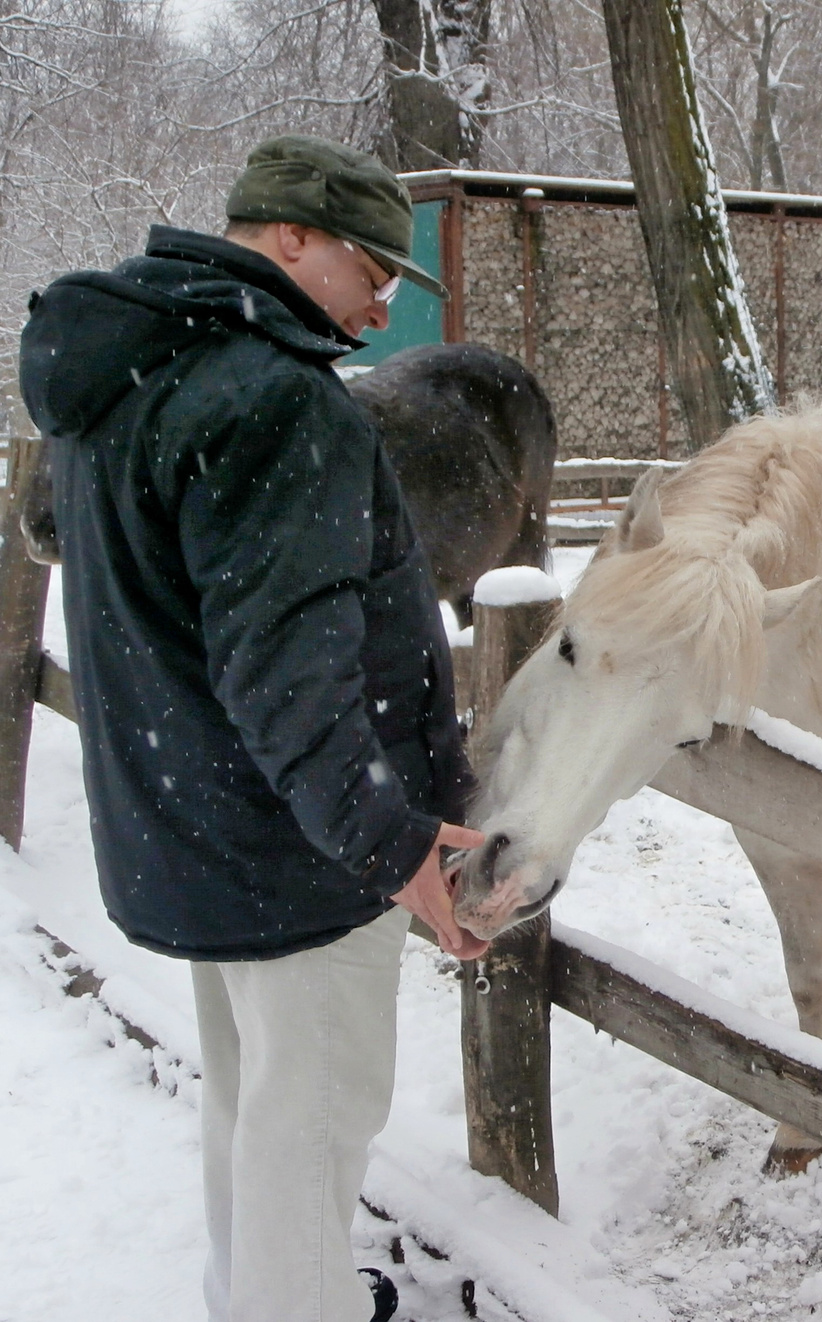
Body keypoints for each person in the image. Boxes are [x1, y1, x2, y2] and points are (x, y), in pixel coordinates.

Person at [19, 135, 490, 1322]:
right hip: (300, 850)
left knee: (255, 1100)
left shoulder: (130, 368)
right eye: (375, 270)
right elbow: (289, 671)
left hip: (200, 821)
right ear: (292, 238)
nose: (385, 306)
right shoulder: (277, 401)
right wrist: (394, 848)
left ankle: (275, 1288)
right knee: (313, 1117)